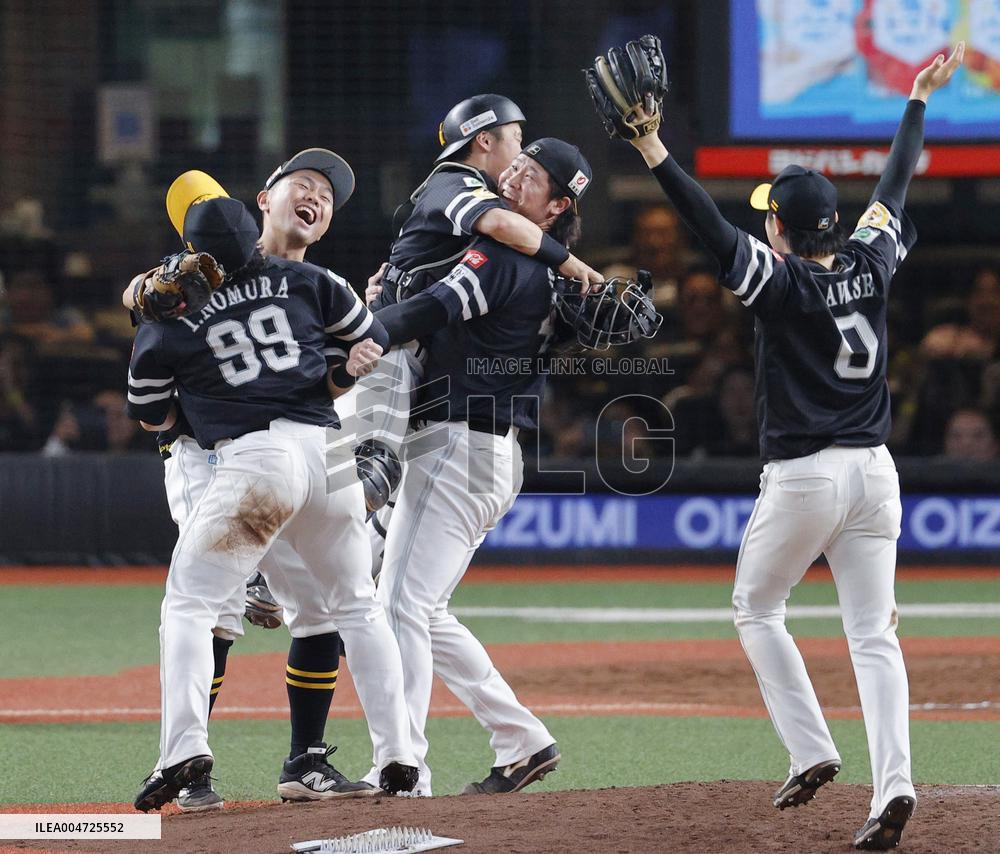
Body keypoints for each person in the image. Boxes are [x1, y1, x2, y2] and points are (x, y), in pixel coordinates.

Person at [616, 38, 965, 851]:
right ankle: (897, 784)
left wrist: (653, 147)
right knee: (874, 636)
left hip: (806, 478)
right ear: (831, 224)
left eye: (769, 214)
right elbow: (896, 181)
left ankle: (811, 749)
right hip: (878, 477)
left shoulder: (781, 281)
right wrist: (916, 101)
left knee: (756, 606)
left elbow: (704, 221)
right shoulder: (872, 260)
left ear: (779, 226)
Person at [365, 138, 650, 797]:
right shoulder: (547, 272)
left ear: (556, 208)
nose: (516, 176)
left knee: (401, 604)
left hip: (458, 445)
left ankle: (402, 770)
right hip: (485, 452)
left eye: (534, 178)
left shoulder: (505, 254)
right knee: (422, 607)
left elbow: (433, 311)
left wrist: (363, 326)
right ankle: (521, 740)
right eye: (518, 167)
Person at [127, 185, 418, 812]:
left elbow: (150, 413)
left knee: (191, 605)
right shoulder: (309, 280)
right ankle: (399, 755)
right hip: (331, 455)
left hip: (258, 465)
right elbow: (364, 339)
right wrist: (338, 366)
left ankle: (183, 751)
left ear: (191, 254)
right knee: (357, 608)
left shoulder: (170, 315)